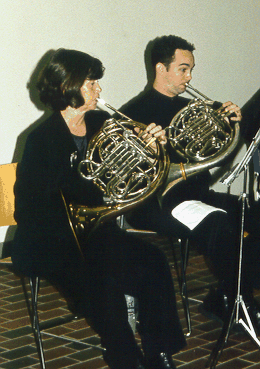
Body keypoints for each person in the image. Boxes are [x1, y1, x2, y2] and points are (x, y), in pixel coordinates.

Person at [11, 48, 186, 369]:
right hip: (50, 239)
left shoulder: (101, 121)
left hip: (96, 231)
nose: (99, 89)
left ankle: (160, 352)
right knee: (102, 278)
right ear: (68, 87)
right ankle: (125, 359)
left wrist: (148, 147)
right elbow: (30, 210)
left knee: (153, 260)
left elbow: (126, 175)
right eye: (91, 83)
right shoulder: (40, 141)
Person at [117, 35, 260, 328]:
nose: (190, 76)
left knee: (253, 212)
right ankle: (242, 302)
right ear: (161, 68)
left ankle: (224, 293)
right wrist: (149, 147)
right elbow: (125, 179)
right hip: (157, 202)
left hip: (197, 196)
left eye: (191, 69)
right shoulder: (133, 114)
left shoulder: (194, 107)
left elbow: (223, 157)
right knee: (218, 224)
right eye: (183, 69)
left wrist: (234, 122)